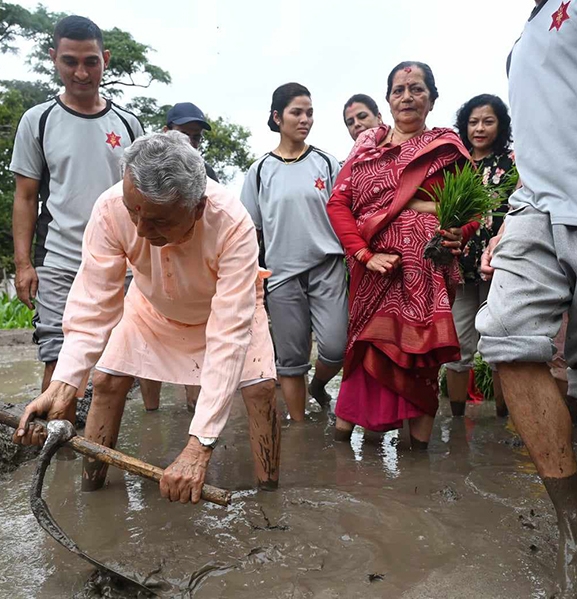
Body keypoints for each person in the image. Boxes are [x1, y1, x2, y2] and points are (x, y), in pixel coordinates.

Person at [14, 131, 280, 502]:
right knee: (106, 380)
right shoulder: (111, 208)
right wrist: (64, 382)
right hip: (151, 302)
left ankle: (271, 497)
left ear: (197, 208)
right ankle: (91, 491)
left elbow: (228, 333)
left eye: (157, 221)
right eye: (133, 210)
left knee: (261, 388)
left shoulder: (232, 223)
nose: (139, 229)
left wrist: (199, 444)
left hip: (225, 309)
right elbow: (94, 302)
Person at [476, 1, 577, 595]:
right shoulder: (527, 30)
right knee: (506, 338)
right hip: (536, 204)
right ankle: (571, 523)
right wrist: (510, 222)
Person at [327, 61, 472, 448]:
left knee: (421, 359)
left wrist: (459, 232)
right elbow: (338, 206)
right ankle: (344, 451)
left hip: (427, 271)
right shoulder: (365, 149)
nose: (407, 96)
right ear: (388, 99)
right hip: (374, 270)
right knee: (365, 349)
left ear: (432, 98)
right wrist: (362, 255)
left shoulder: (447, 147)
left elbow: (472, 209)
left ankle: (417, 464)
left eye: (417, 88)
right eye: (398, 90)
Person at [10, 15, 143, 394]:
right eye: (70, 61)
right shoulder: (38, 121)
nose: (81, 73)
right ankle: (55, 442)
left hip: (121, 263)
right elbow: (25, 197)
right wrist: (23, 265)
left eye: (91, 62)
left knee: (114, 364)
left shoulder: (130, 124)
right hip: (59, 260)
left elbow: (142, 201)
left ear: (106, 59)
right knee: (58, 355)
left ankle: (98, 448)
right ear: (54, 58)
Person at [241, 82, 348, 421]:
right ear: (277, 117)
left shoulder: (327, 163)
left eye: (310, 113)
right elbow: (248, 231)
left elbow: (345, 213)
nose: (305, 120)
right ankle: (301, 432)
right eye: (296, 113)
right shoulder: (259, 172)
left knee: (335, 347)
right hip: (281, 275)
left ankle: (319, 386)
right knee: (290, 359)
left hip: (327, 266)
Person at [445, 94, 515, 418]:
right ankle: (457, 422)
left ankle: (505, 419)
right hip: (459, 268)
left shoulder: (512, 163)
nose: (480, 128)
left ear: (500, 125)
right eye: (473, 121)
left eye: (488, 121)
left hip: (500, 267)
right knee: (458, 347)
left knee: (499, 347)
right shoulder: (456, 165)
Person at [164, 102, 219, 182]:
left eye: (196, 138)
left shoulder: (206, 173)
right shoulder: (147, 165)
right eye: (183, 135)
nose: (189, 142)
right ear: (166, 132)